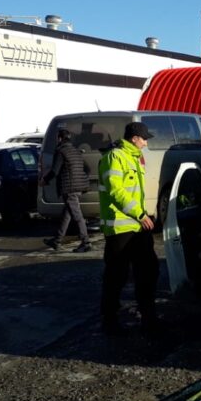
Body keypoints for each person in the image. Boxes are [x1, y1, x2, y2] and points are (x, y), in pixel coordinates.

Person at [97, 121, 159, 335]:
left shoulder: (134, 158)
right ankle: (110, 320)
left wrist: (144, 215)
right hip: (120, 229)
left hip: (137, 227)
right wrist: (139, 214)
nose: (145, 143)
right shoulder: (115, 157)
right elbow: (116, 192)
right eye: (144, 139)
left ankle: (149, 318)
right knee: (116, 277)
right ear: (134, 139)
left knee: (147, 272)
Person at [42, 129, 91, 252]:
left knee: (77, 215)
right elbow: (87, 169)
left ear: (59, 138)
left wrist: (44, 180)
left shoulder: (61, 151)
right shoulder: (75, 151)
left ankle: (86, 242)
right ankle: (57, 240)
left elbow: (55, 171)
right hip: (78, 187)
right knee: (67, 213)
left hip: (69, 188)